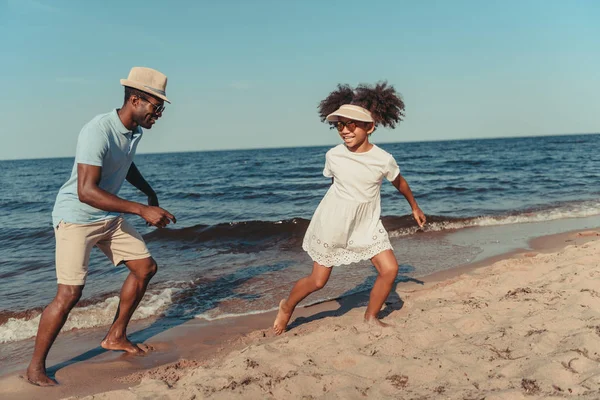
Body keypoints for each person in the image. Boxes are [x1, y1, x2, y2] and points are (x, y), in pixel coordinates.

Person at [26, 67, 176, 386]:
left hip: (106, 215)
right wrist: (139, 210)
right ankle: (35, 367)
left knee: (145, 268)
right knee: (69, 293)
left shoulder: (133, 131)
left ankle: (115, 336)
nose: (159, 113)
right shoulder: (98, 129)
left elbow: (125, 163)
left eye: (162, 108)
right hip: (76, 217)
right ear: (135, 99)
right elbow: (86, 191)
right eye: (156, 106)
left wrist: (148, 193)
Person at [273, 82, 426, 335]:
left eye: (351, 124)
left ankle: (371, 317)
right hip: (333, 223)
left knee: (390, 270)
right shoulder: (333, 155)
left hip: (367, 223)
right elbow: (337, 187)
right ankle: (287, 306)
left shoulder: (383, 159)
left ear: (370, 127)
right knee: (318, 281)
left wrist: (415, 207)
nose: (344, 130)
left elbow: (399, 182)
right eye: (339, 125)